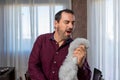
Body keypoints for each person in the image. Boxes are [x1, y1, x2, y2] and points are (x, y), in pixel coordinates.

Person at [28, 9, 91, 80]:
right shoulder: (41, 40)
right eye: (67, 22)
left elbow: (87, 77)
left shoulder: (76, 47)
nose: (71, 26)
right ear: (56, 23)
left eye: (73, 23)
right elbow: (33, 66)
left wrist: (81, 65)